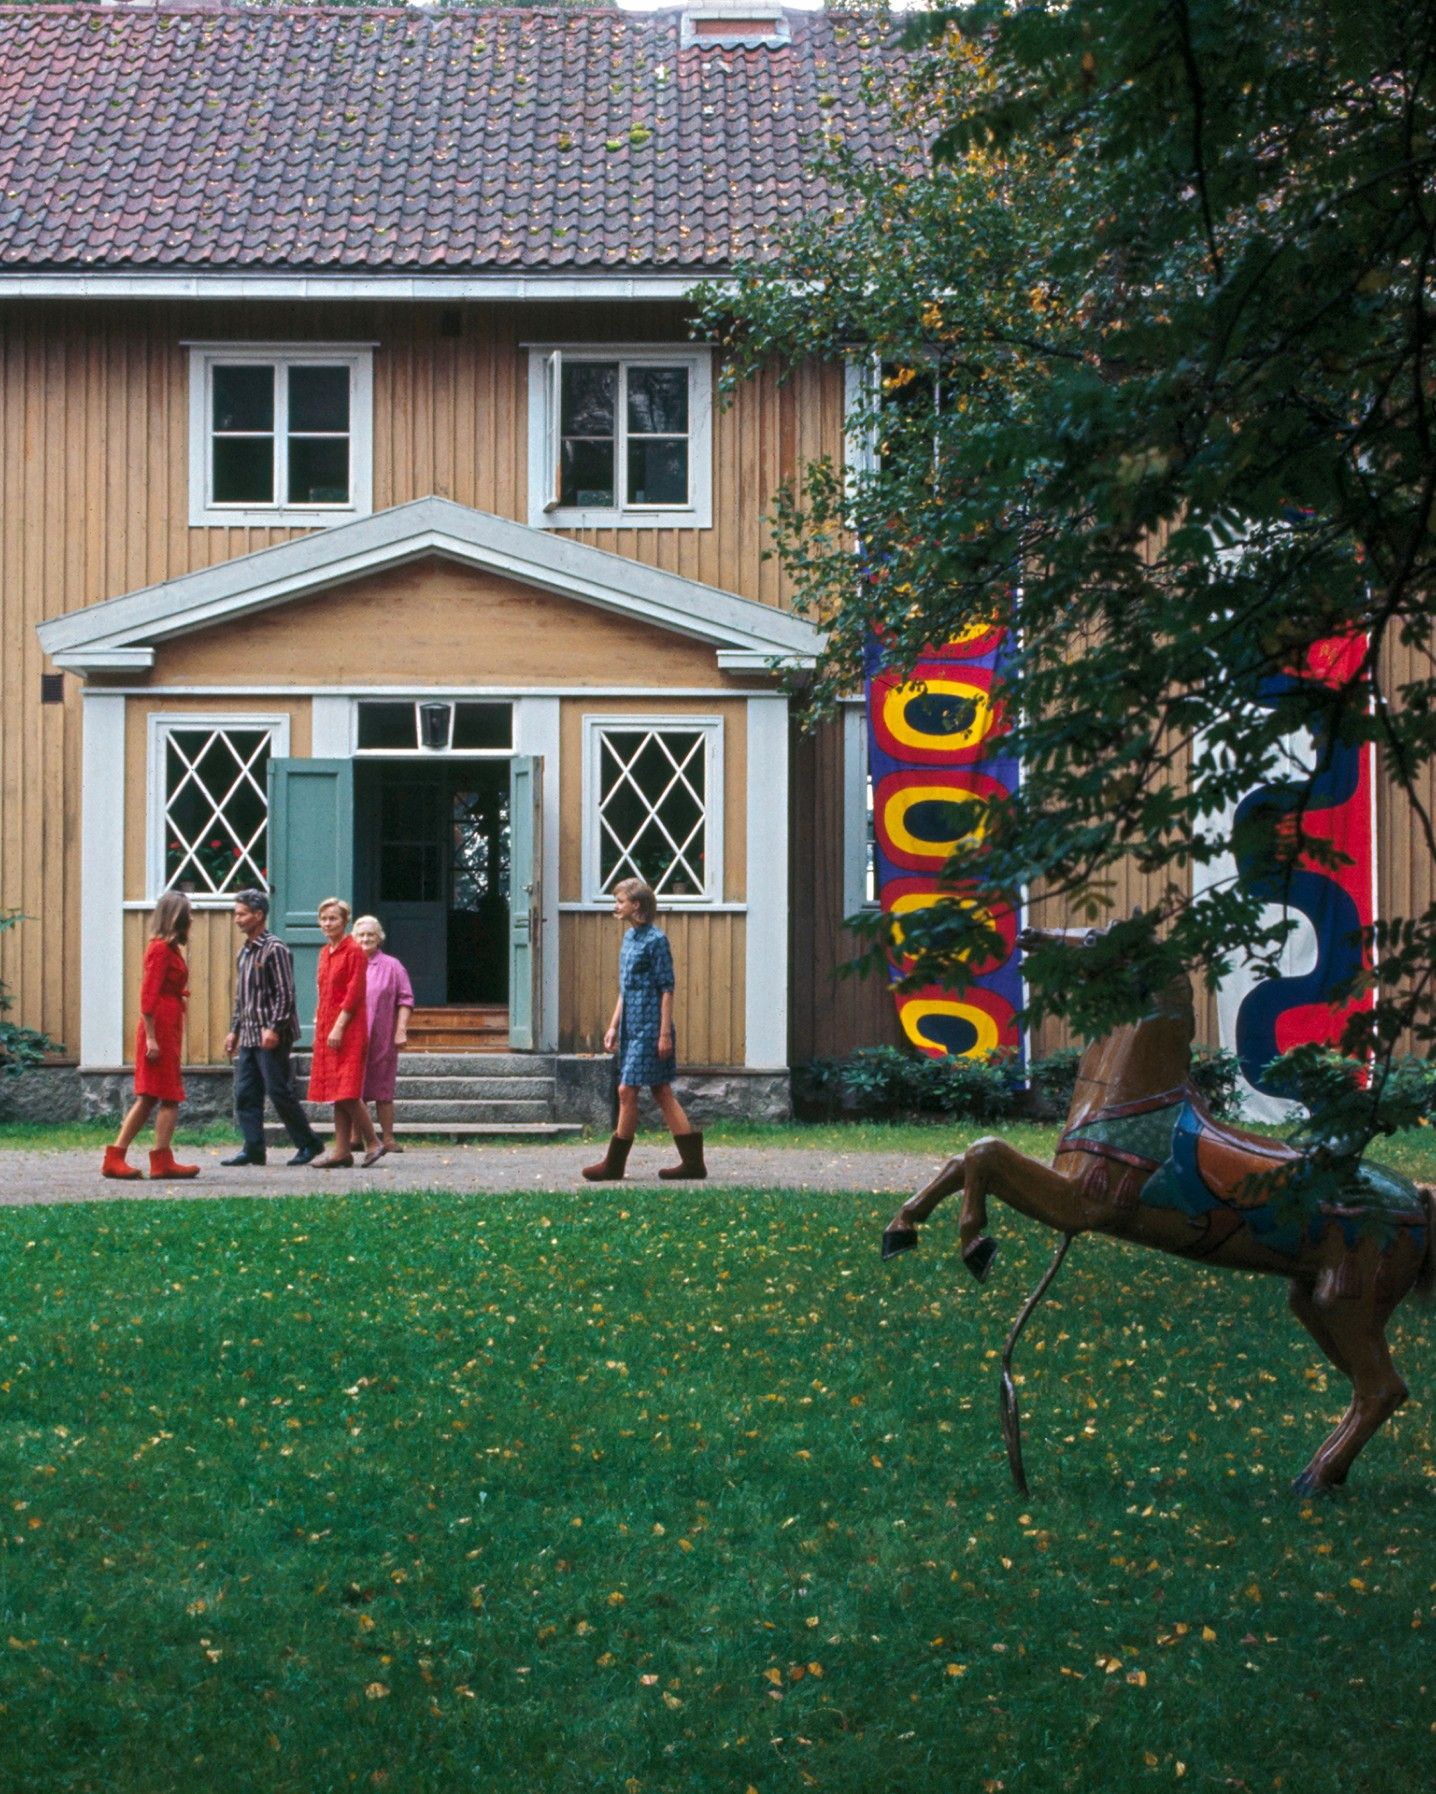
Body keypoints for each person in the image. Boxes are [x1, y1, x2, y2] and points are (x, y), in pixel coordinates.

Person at [582, 877, 707, 1182]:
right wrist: (613, 1026)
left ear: (636, 904)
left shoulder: (656, 940)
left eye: (620, 901)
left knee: (627, 1089)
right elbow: (625, 989)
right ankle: (693, 1163)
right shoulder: (629, 939)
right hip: (631, 1026)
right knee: (661, 1090)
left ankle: (614, 1164)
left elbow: (667, 988)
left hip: (652, 1027)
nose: (616, 906)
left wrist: (664, 1034)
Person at [221, 889, 325, 1168]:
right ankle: (254, 1148)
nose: (237, 919)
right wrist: (234, 1030)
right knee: (245, 1093)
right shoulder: (244, 952)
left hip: (271, 1036)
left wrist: (275, 1028)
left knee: (278, 1091)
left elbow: (285, 993)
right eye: (236, 914)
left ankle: (309, 1143)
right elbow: (242, 997)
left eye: (241, 914)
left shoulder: (275, 948)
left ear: (259, 915)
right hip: (250, 1035)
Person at [101, 891, 199, 1180]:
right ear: (176, 916)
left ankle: (155, 1159)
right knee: (158, 1095)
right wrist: (152, 1037)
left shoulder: (170, 949)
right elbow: (148, 996)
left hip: (168, 1025)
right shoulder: (159, 949)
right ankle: (133, 1158)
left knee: (160, 1095)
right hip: (158, 1026)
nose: (191, 918)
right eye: (187, 913)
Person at [306, 897, 377, 1169]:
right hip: (328, 1026)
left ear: (345, 921)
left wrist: (338, 1026)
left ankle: (373, 1142)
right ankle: (342, 1151)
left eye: (333, 918)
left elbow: (354, 993)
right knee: (337, 1090)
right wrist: (320, 1020)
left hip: (348, 1028)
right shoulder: (325, 952)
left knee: (346, 1090)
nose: (327, 923)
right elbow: (323, 990)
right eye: (323, 919)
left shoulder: (354, 951)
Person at [353, 915, 414, 1166]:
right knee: (354, 1087)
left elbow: (406, 1000)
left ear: (380, 938)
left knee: (383, 1087)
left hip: (382, 1036)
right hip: (353, 1036)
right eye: (361, 935)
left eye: (371, 935)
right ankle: (356, 1137)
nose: (366, 939)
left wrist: (401, 1030)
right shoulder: (349, 964)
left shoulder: (393, 966)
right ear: (354, 939)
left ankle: (388, 1137)